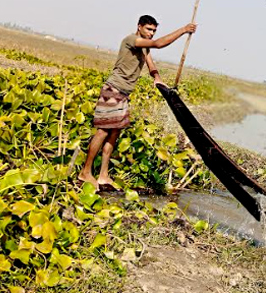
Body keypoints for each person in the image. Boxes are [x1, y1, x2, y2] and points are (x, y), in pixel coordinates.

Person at [78, 15, 197, 190]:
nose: (151, 34)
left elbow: (150, 64)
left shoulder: (143, 48)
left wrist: (157, 78)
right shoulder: (132, 40)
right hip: (113, 90)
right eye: (149, 29)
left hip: (124, 93)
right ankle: (85, 172)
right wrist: (183, 30)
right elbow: (158, 44)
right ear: (139, 26)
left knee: (114, 133)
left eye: (154, 31)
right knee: (103, 131)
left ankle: (103, 175)